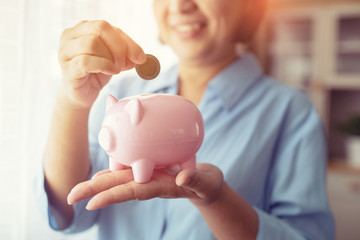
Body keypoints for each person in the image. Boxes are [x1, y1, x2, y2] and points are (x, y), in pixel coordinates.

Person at [35, 0, 335, 239]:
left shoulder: (291, 112)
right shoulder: (122, 93)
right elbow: (70, 211)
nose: (179, 4)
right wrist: (72, 102)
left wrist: (216, 201)